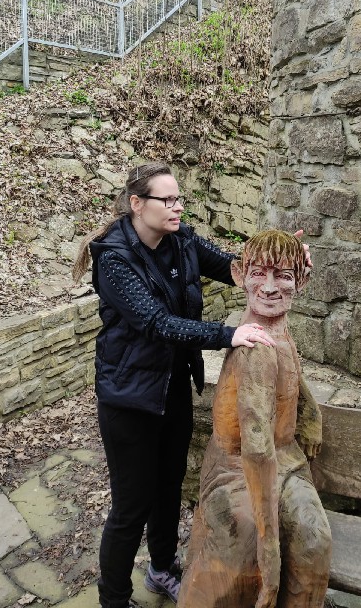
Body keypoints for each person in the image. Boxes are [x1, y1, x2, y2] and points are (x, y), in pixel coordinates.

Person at [73, 163, 309, 608]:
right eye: (167, 200)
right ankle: (113, 599)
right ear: (137, 204)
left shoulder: (181, 239)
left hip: (173, 389)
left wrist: (281, 257)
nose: (177, 207)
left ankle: (161, 570)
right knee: (131, 507)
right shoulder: (115, 258)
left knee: (168, 487)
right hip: (129, 400)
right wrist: (228, 334)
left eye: (179, 198)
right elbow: (157, 323)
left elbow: (231, 265)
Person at [177, 229, 332, 608]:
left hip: (286, 462)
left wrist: (309, 413)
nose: (270, 287)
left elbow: (289, 368)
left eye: (284, 276)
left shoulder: (274, 325)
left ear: (302, 281)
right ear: (239, 276)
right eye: (258, 274)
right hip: (239, 469)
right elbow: (257, 449)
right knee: (242, 543)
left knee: (313, 539)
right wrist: (270, 549)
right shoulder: (255, 348)